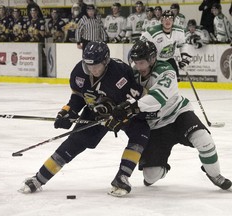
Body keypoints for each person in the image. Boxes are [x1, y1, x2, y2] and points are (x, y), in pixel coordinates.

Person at [18, 41, 150, 197]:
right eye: (88, 65)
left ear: (106, 61)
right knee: (73, 143)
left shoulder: (120, 72)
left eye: (96, 66)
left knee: (141, 131)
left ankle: (122, 176)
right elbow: (78, 97)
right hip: (96, 113)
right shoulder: (79, 72)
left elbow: (138, 97)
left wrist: (122, 114)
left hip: (121, 112)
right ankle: (38, 179)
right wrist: (67, 113)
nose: (92, 69)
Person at [125, 40, 231, 190]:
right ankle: (161, 165)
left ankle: (214, 174)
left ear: (152, 59)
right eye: (136, 62)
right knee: (151, 176)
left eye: (142, 62)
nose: (138, 66)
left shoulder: (166, 70)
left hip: (178, 115)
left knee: (203, 139)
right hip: (155, 126)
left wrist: (131, 107)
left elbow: (156, 99)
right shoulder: (132, 73)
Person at [140, 10, 190, 81]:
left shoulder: (179, 31)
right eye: (165, 18)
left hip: (169, 59)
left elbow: (183, 45)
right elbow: (141, 42)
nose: (167, 21)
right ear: (161, 20)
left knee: (175, 80)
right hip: (155, 61)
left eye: (170, 19)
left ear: (173, 21)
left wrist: (184, 58)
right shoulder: (152, 32)